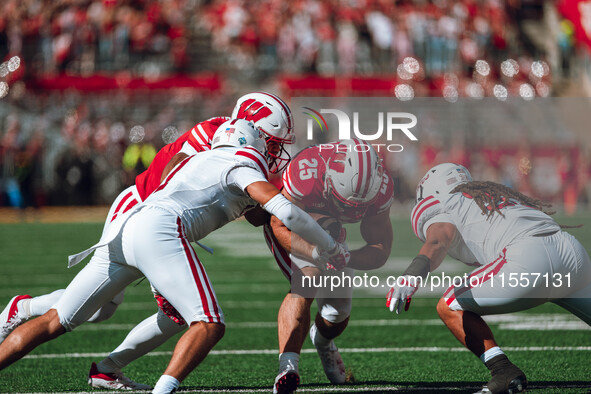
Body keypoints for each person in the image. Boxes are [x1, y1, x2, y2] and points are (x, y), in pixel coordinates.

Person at [0, 119, 349, 394]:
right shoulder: (240, 165)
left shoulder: (200, 158)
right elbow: (284, 212)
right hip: (159, 229)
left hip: (128, 226)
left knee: (54, 321)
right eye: (268, 144)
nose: (272, 150)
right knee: (209, 323)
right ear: (250, 143)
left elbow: (255, 210)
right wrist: (328, 247)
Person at [387, 163, 591, 394]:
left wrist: (412, 275)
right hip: (572, 253)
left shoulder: (448, 201)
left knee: (449, 305)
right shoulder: (495, 194)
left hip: (528, 259)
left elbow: (438, 240)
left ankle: (502, 370)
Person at [264, 139, 394, 394]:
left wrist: (345, 257)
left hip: (335, 237)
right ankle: (288, 367)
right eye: (344, 202)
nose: (349, 208)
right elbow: (278, 225)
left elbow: (380, 249)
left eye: (356, 207)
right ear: (330, 177)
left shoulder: (381, 189)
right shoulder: (307, 172)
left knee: (337, 315)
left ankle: (323, 342)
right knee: (307, 280)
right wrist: (314, 251)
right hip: (297, 228)